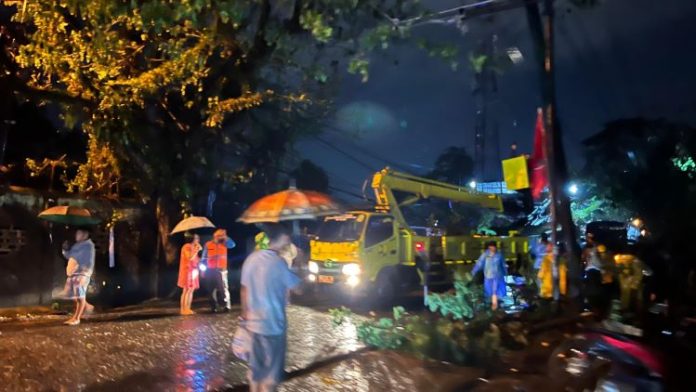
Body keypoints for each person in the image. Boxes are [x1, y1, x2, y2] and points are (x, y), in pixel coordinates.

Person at [240, 224, 302, 392]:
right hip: (273, 326)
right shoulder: (279, 263)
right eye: (287, 238)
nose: (289, 241)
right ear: (282, 239)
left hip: (253, 326)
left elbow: (244, 289)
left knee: (255, 373)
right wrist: (300, 265)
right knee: (270, 377)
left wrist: (245, 315)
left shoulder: (251, 259)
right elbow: (299, 288)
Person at [61, 227, 95, 326]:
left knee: (80, 295)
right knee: (71, 294)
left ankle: (77, 318)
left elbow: (79, 257)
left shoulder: (88, 245)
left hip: (82, 273)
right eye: (77, 233)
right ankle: (88, 307)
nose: (77, 236)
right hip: (73, 273)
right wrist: (65, 250)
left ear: (85, 234)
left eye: (79, 234)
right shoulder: (78, 245)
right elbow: (70, 256)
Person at [202, 229, 236, 312]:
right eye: (220, 235)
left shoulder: (225, 243)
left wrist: (226, 238)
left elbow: (233, 245)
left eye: (223, 235)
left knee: (223, 288)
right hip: (210, 269)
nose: (222, 237)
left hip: (222, 269)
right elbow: (204, 257)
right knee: (211, 289)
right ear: (215, 236)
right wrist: (202, 270)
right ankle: (214, 306)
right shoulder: (208, 244)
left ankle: (226, 306)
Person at [472, 241, 507, 310]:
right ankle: (490, 305)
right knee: (488, 291)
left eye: (494, 247)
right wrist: (474, 271)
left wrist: (505, 272)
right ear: (489, 247)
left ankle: (496, 305)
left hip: (497, 276)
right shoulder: (485, 255)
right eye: (491, 247)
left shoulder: (499, 255)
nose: (493, 249)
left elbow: (503, 264)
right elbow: (479, 263)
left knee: (495, 291)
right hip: (488, 276)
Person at [178, 233, 202, 315]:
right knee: (186, 290)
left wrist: (201, 258)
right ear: (192, 239)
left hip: (194, 271)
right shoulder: (186, 246)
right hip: (187, 271)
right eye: (196, 238)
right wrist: (197, 250)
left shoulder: (194, 247)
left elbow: (196, 259)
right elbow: (190, 258)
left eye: (198, 238)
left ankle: (188, 308)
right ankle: (183, 309)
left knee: (191, 290)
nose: (198, 240)